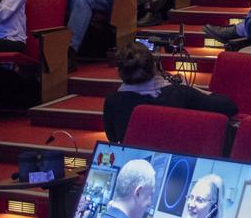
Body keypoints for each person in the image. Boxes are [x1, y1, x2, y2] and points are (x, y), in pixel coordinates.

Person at [101, 43, 236, 143]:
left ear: (120, 72)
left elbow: (113, 138)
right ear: (155, 66)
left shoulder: (112, 101)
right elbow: (229, 106)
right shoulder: (179, 93)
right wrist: (194, 89)